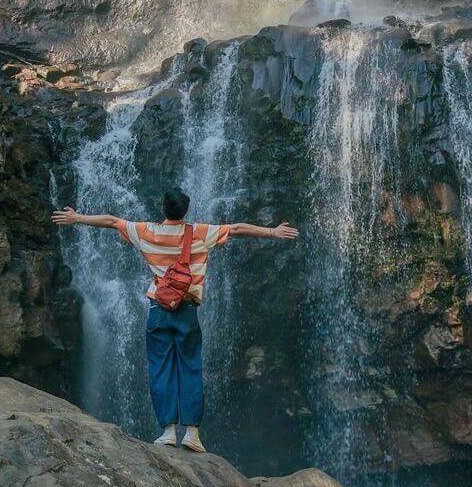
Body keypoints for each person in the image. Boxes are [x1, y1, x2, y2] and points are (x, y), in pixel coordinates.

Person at [51, 186, 299, 453]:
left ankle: (168, 431)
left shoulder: (147, 232)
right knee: (190, 367)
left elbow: (111, 221)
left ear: (163, 208)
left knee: (161, 368)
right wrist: (272, 231)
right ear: (186, 210)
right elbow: (237, 228)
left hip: (159, 310)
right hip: (187, 311)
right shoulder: (200, 234)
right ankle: (192, 432)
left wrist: (77, 218)